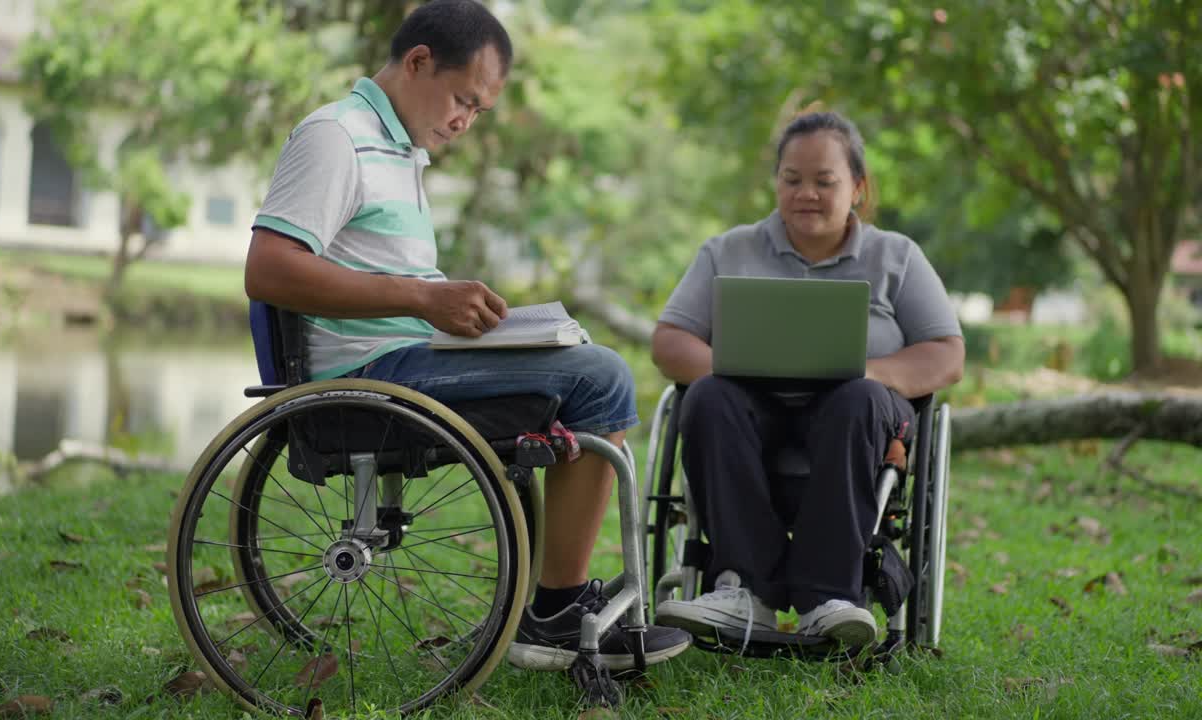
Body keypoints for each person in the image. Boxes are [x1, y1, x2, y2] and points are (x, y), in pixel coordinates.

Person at [243, 0, 690, 672]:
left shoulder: (398, 150)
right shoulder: (337, 137)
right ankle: (559, 613)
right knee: (601, 377)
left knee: (576, 354)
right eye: (462, 99)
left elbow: (387, 282)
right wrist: (424, 297)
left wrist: (459, 310)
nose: (464, 120)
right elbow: (269, 268)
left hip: (405, 359)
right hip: (366, 378)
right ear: (418, 61)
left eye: (478, 110)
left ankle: (556, 605)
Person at [650, 111, 964, 648]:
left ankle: (829, 596)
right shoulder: (728, 251)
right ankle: (745, 590)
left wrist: (873, 371)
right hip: (749, 409)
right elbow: (670, 340)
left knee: (861, 398)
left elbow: (947, 354)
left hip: (855, 413)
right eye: (792, 179)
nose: (806, 194)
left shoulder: (896, 256)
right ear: (776, 182)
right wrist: (738, 366)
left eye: (825, 181)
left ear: (858, 188)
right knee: (708, 397)